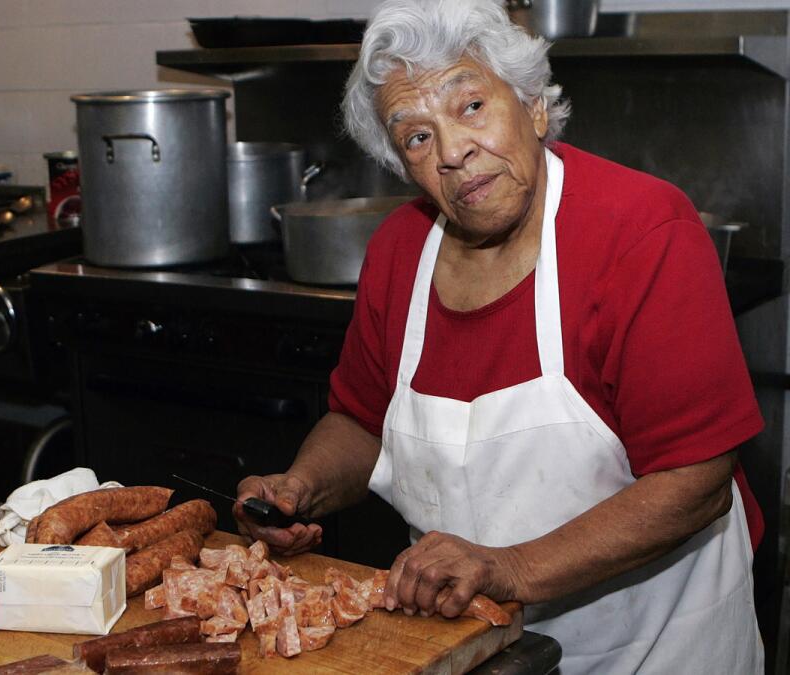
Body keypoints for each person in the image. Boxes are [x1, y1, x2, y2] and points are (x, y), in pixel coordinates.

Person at [233, 0, 764, 672]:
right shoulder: (401, 251)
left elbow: (697, 479)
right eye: (417, 137)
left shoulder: (641, 230)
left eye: (472, 106)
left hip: (657, 647)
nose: (453, 152)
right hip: (474, 651)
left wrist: (508, 567)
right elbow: (363, 420)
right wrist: (299, 486)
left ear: (533, 105)